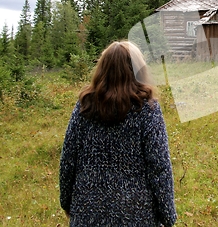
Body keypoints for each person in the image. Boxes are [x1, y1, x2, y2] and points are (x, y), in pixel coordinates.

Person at [59, 41, 177, 227]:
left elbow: (68, 161)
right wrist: (168, 215)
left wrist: (67, 203)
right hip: (138, 214)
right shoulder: (147, 109)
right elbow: (159, 166)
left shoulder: (84, 106)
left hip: (87, 213)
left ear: (102, 70)